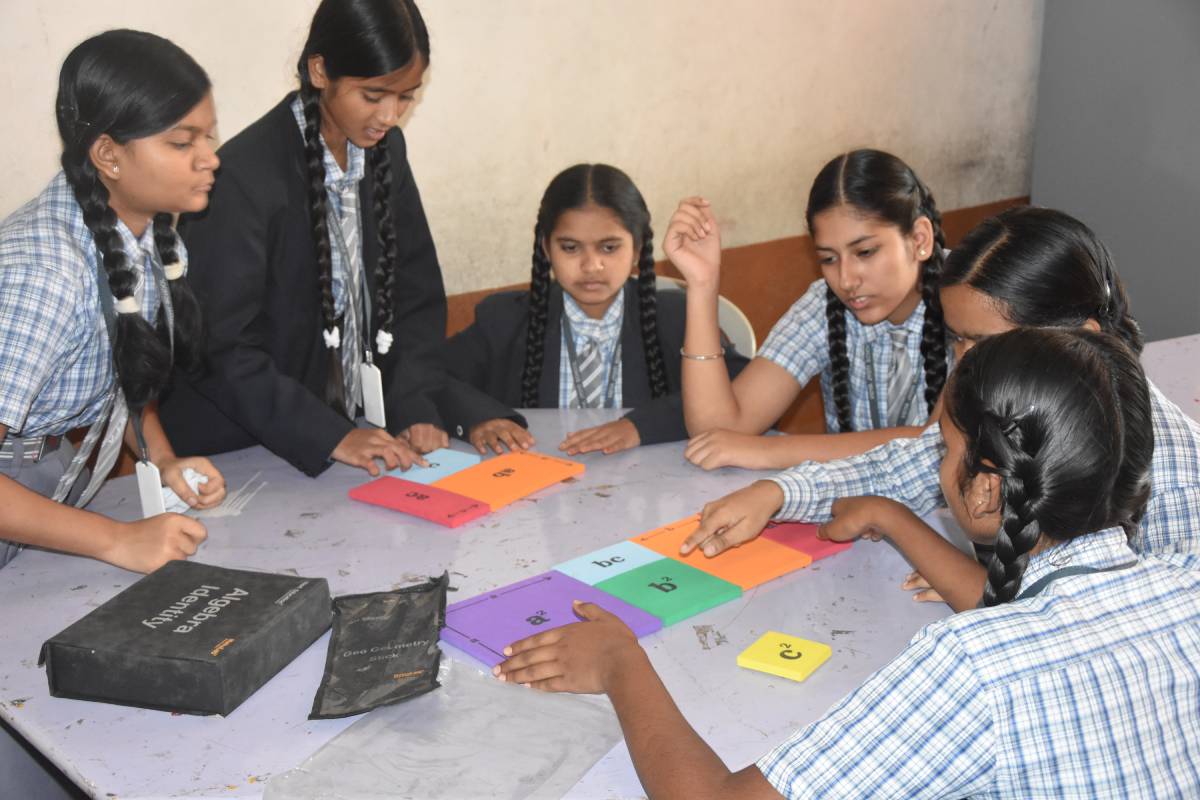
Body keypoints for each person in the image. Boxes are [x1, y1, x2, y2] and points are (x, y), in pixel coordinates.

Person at [497, 328, 1200, 799]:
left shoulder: (974, 665)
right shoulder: (1185, 588)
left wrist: (622, 662)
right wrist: (890, 515)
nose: (934, 461)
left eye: (944, 447)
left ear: (988, 486)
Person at [680, 207, 1200, 587]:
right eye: (957, 339)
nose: (964, 363)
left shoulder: (1173, 471)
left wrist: (1001, 590)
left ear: (1081, 339)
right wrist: (778, 494)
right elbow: (908, 463)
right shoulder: (1013, 406)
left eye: (987, 343)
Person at [161, 0, 450, 477]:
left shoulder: (386, 151)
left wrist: (414, 404)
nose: (390, 116)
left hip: (349, 436)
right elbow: (219, 348)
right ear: (320, 70)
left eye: (406, 97)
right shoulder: (243, 176)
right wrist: (331, 435)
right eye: (373, 95)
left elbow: (416, 294)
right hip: (239, 448)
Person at [0, 29, 226, 572]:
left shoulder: (143, 239)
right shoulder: (46, 273)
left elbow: (123, 370)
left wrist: (164, 460)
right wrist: (116, 541)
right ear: (108, 154)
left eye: (210, 138)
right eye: (182, 142)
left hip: (47, 480)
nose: (210, 159)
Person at [667, 149, 948, 470]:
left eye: (866, 252)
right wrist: (703, 284)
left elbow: (936, 443)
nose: (846, 279)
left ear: (920, 239)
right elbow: (716, 432)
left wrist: (768, 452)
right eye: (828, 259)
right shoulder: (824, 303)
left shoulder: (972, 299)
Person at [438, 163, 747, 456]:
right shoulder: (505, 319)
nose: (591, 266)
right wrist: (482, 417)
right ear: (546, 249)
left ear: (638, 248)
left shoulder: (677, 316)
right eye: (570, 248)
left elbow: (741, 392)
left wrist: (640, 427)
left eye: (609, 247)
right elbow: (434, 374)